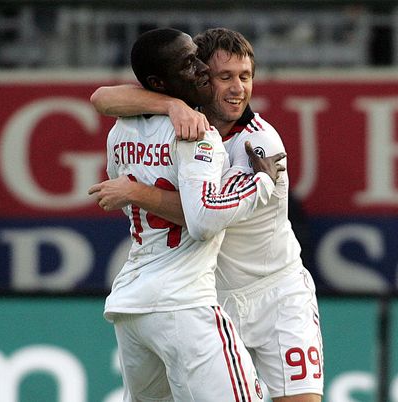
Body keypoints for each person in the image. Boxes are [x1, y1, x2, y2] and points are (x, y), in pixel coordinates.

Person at [89, 28, 324, 402]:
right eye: (224, 77)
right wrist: (171, 105)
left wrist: (136, 193)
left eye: (245, 77)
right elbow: (102, 97)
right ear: (200, 76)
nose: (238, 89)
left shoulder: (260, 143)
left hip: (276, 291)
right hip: (211, 294)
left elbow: (201, 216)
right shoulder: (186, 122)